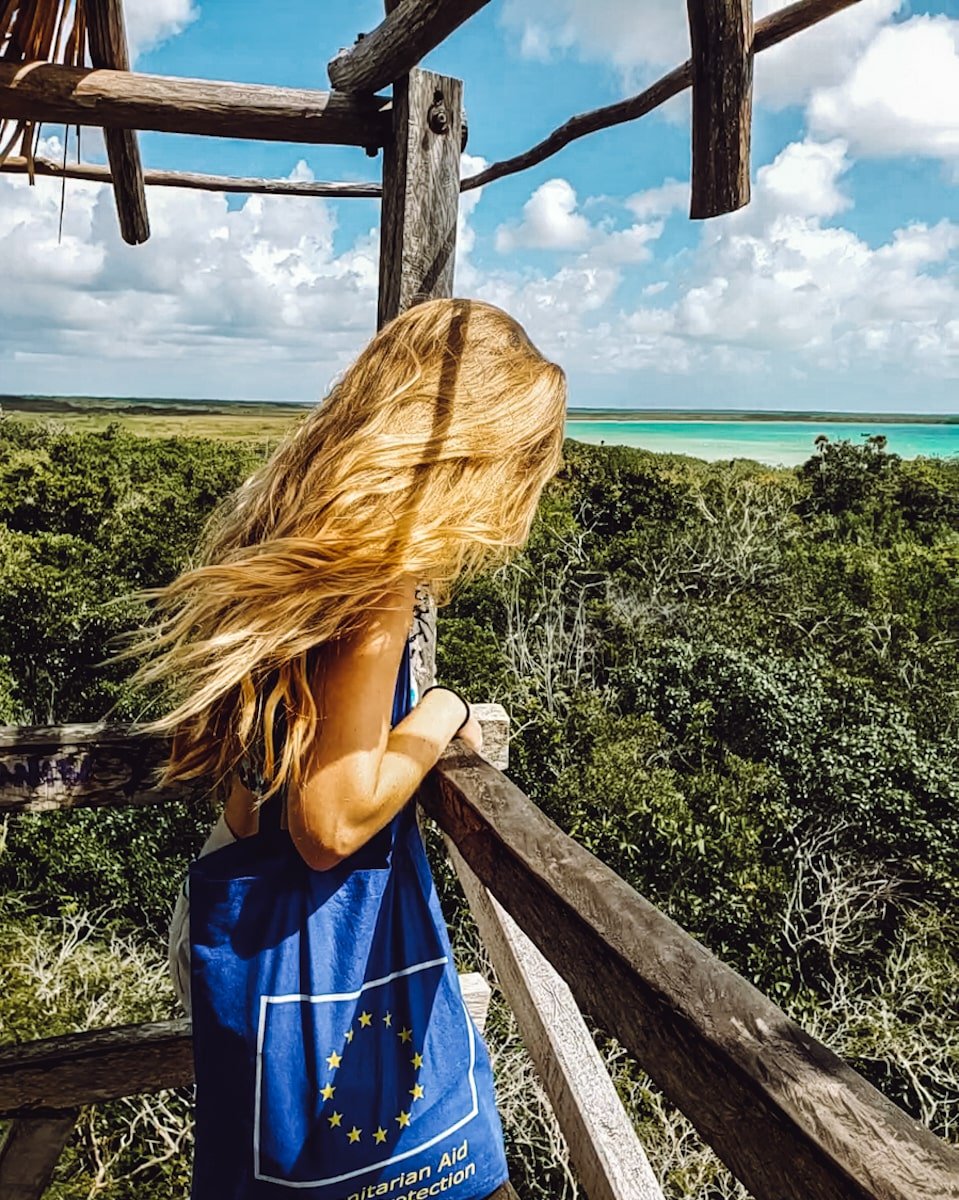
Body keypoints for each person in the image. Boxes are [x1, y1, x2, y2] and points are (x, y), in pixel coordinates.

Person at [125, 298, 567, 1200]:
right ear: (473, 449)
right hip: (315, 928)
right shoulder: (377, 579)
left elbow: (268, 779)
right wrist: (438, 712)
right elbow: (330, 821)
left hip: (242, 895)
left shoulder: (290, 525)